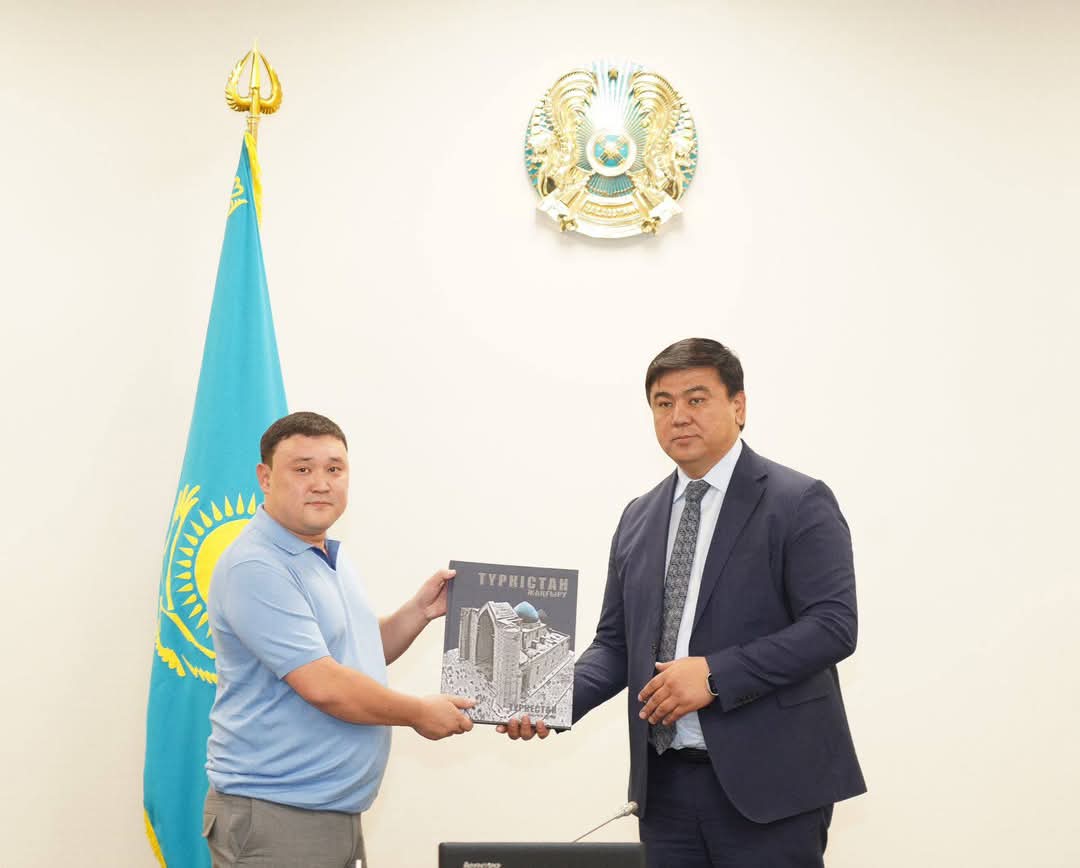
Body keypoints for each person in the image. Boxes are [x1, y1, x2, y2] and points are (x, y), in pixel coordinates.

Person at [502, 339, 865, 867]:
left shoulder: (797, 500)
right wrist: (548, 703)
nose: (678, 416)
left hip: (772, 788)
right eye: (663, 402)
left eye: (696, 399)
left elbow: (833, 626)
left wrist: (714, 674)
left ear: (738, 406)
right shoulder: (638, 516)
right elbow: (615, 645)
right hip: (664, 790)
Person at [203, 411, 474, 868]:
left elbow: (354, 656)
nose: (321, 483)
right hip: (277, 818)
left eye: (334, 468)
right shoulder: (257, 566)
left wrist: (419, 612)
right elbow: (324, 684)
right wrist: (417, 713)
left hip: (328, 814)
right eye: (302, 469)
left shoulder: (327, 554)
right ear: (265, 478)